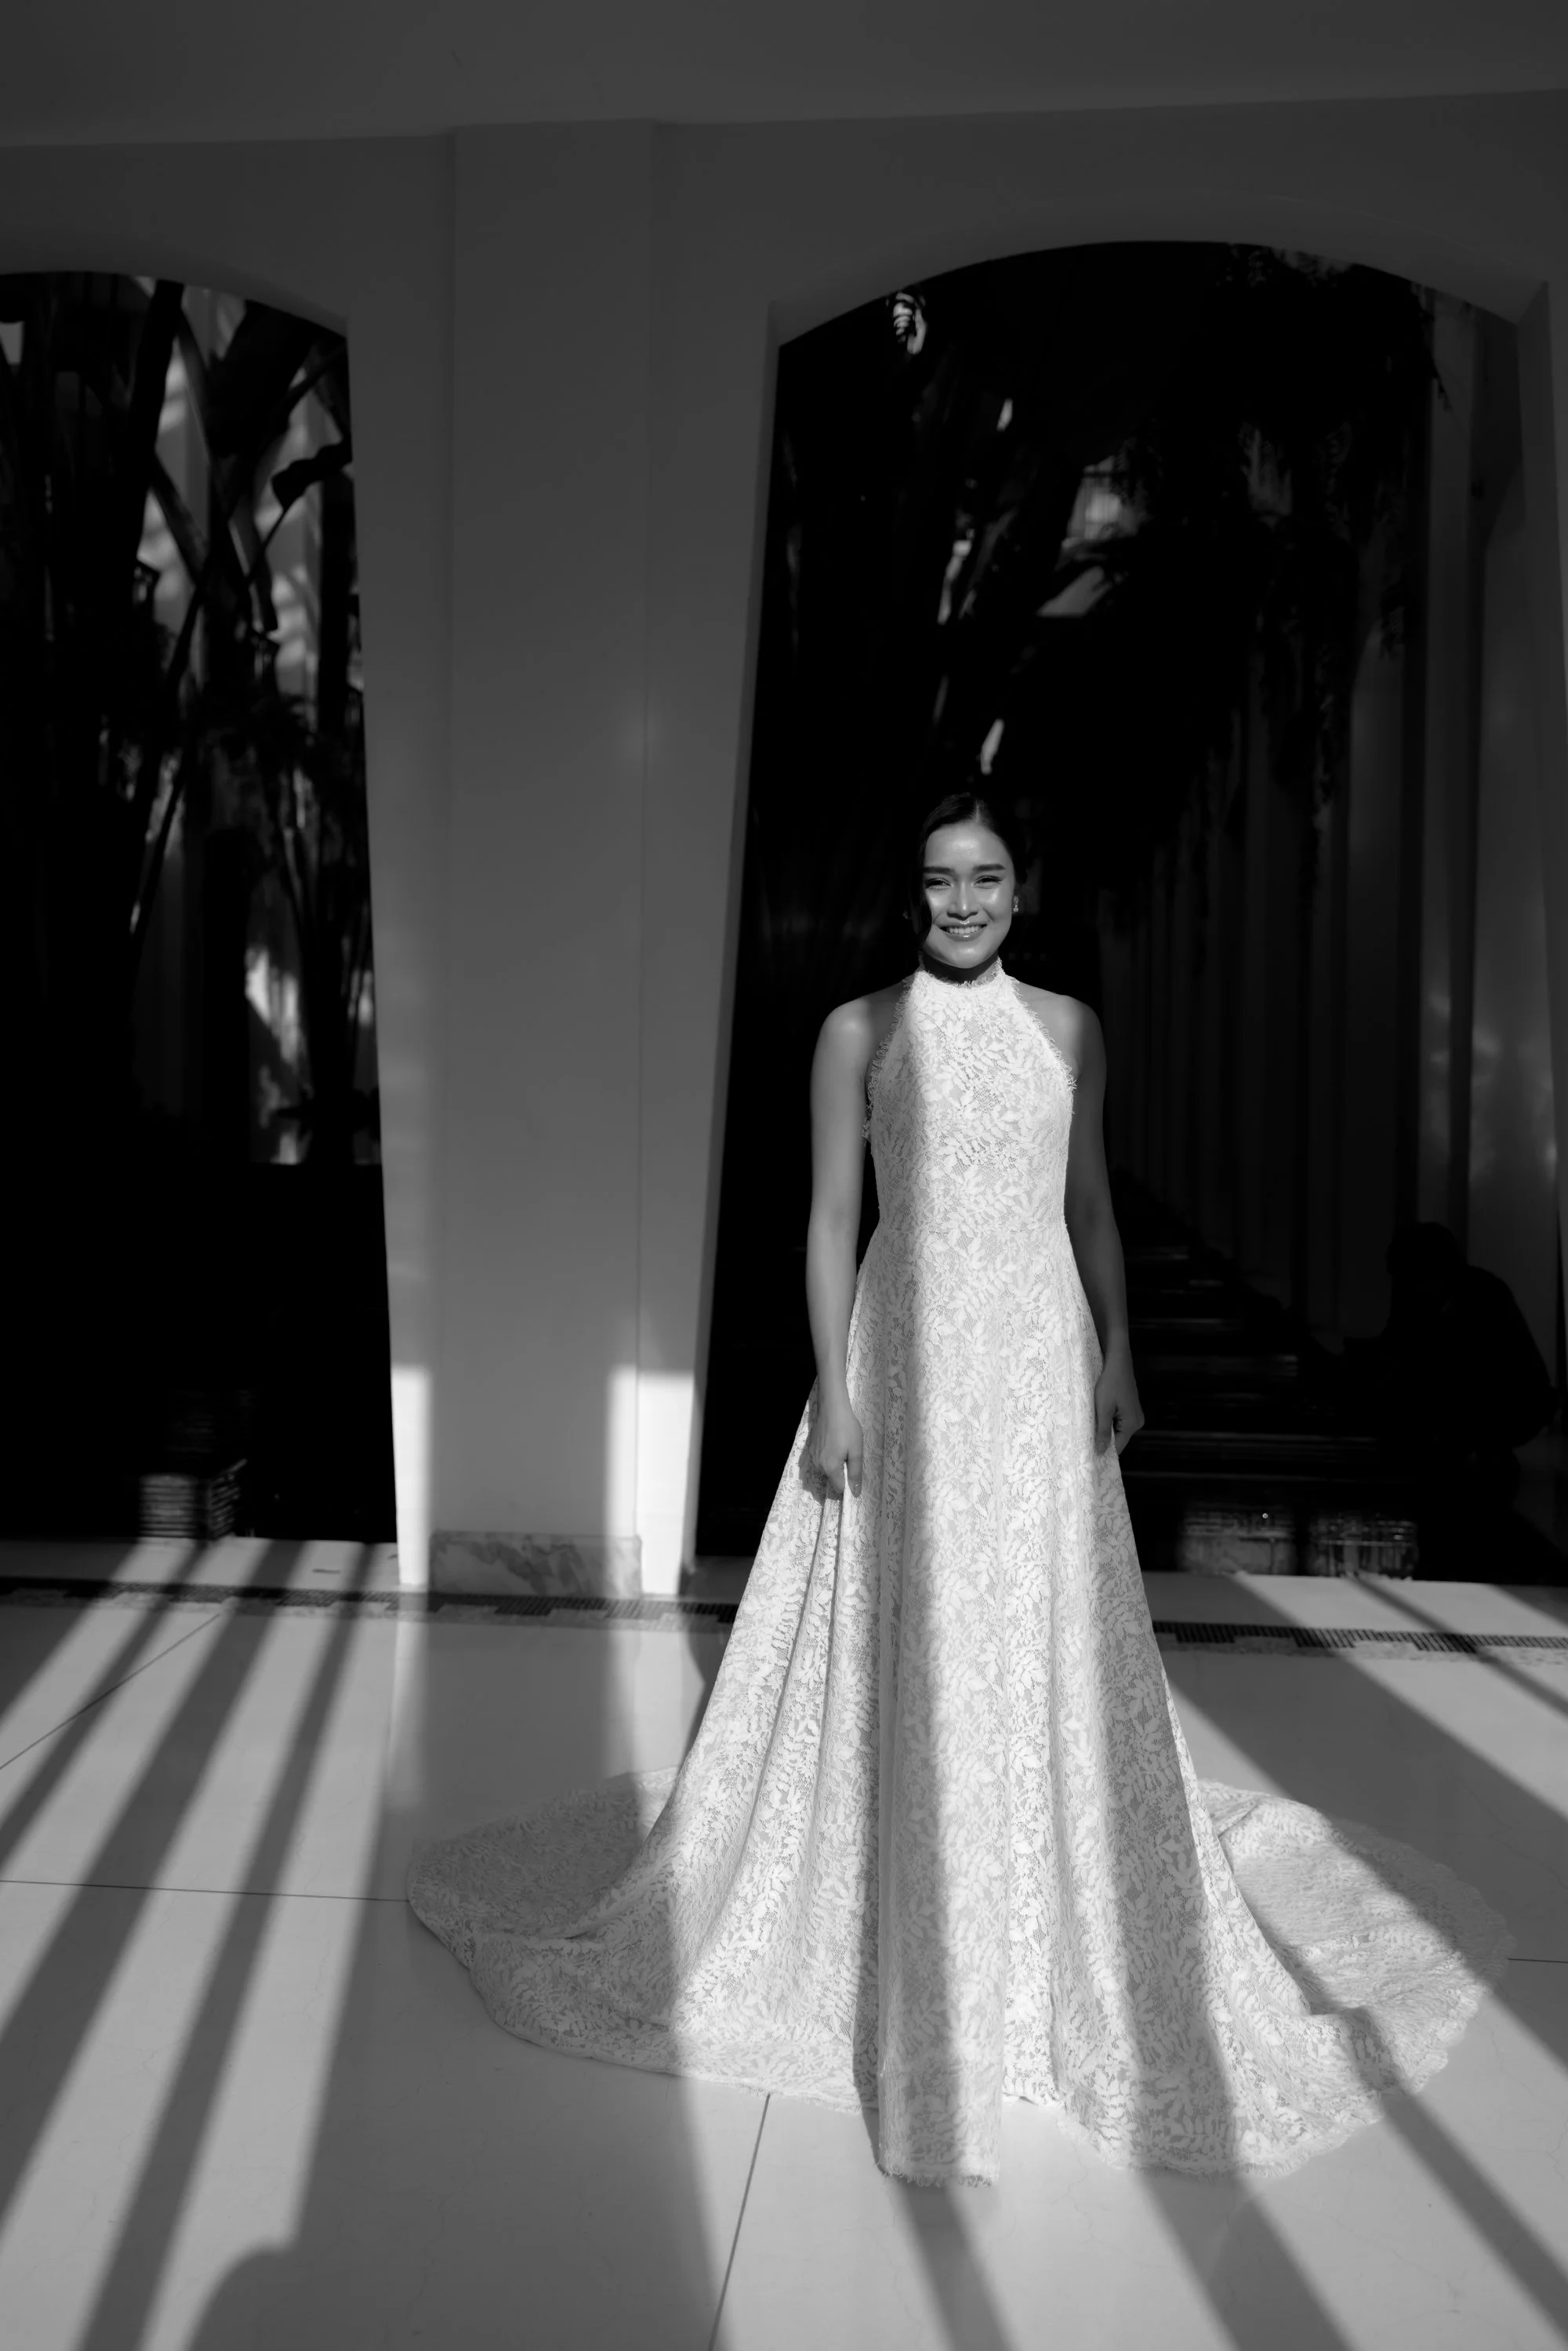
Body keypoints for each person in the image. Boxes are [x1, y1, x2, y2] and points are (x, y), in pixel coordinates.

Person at [408, 792, 1509, 2188]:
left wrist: (1121, 1347)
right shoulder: (857, 1032)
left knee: (1036, 1634)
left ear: (1020, 888)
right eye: (940, 880)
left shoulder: (1069, 1031)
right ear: (911, 894)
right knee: (913, 1638)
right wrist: (834, 1385)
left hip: (1036, 1364)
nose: (965, 901)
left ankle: (1038, 1931)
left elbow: (1089, 1205)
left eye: (987, 876)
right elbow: (829, 1218)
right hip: (905, 1361)